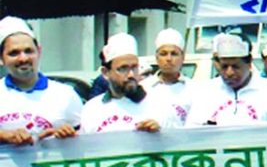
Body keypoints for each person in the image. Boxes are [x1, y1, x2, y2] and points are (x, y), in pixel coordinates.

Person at [0, 16, 80, 145]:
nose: (23, 58)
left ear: (39, 51)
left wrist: (66, 135)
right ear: (1, 59)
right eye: (14, 53)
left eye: (28, 51)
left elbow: (86, 145)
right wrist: (4, 135)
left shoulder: (66, 95)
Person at [186, 33, 267, 126]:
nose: (229, 73)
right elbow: (192, 133)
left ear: (249, 63)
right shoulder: (206, 92)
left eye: (236, 66)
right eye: (224, 66)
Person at [81, 33, 172, 134]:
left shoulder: (159, 104)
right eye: (123, 68)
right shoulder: (91, 109)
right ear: (106, 73)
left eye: (134, 67)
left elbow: (175, 145)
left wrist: (159, 134)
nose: (131, 75)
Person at [140, 28, 196, 125]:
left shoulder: (194, 89)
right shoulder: (143, 88)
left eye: (174, 54)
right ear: (156, 57)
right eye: (163, 54)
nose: (169, 59)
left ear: (183, 57)